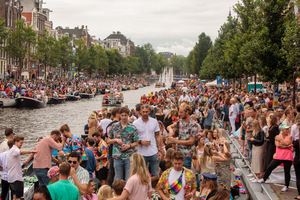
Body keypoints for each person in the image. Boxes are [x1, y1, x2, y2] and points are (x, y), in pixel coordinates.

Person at [107, 107, 139, 181]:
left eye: (125, 115)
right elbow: (108, 140)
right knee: (118, 178)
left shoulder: (133, 128)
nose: (124, 117)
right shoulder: (114, 126)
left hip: (129, 156)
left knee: (129, 178)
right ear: (119, 116)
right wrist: (116, 140)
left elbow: (136, 142)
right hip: (117, 156)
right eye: (122, 115)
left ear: (128, 115)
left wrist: (129, 146)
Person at [259, 124, 293, 192]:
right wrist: (287, 146)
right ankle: (264, 178)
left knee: (287, 171)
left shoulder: (290, 136)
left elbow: (287, 143)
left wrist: (281, 141)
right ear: (282, 130)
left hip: (288, 156)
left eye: (288, 129)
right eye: (286, 129)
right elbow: (278, 145)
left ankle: (286, 185)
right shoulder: (277, 136)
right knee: (270, 166)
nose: (288, 130)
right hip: (279, 155)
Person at [167, 104, 201, 169]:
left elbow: (191, 141)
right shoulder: (180, 122)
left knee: (185, 175)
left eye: (181, 112)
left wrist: (176, 141)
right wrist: (171, 130)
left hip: (187, 155)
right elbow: (169, 126)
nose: (179, 114)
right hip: (177, 153)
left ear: (187, 112)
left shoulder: (194, 125)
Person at [133, 104, 160, 176]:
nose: (145, 113)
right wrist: (141, 142)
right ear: (140, 112)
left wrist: (160, 149)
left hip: (153, 150)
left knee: (156, 173)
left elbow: (158, 135)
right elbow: (132, 138)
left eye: (146, 112)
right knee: (142, 174)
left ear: (149, 112)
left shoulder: (154, 121)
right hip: (142, 152)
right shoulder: (135, 123)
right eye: (143, 112)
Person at [6, 136, 36, 200]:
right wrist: (30, 151)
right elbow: (21, 152)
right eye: (21, 143)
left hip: (11, 177)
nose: (21, 145)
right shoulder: (15, 150)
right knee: (19, 197)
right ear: (16, 142)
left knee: (14, 196)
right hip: (16, 178)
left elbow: (7, 166)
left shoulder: (10, 151)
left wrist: (20, 169)